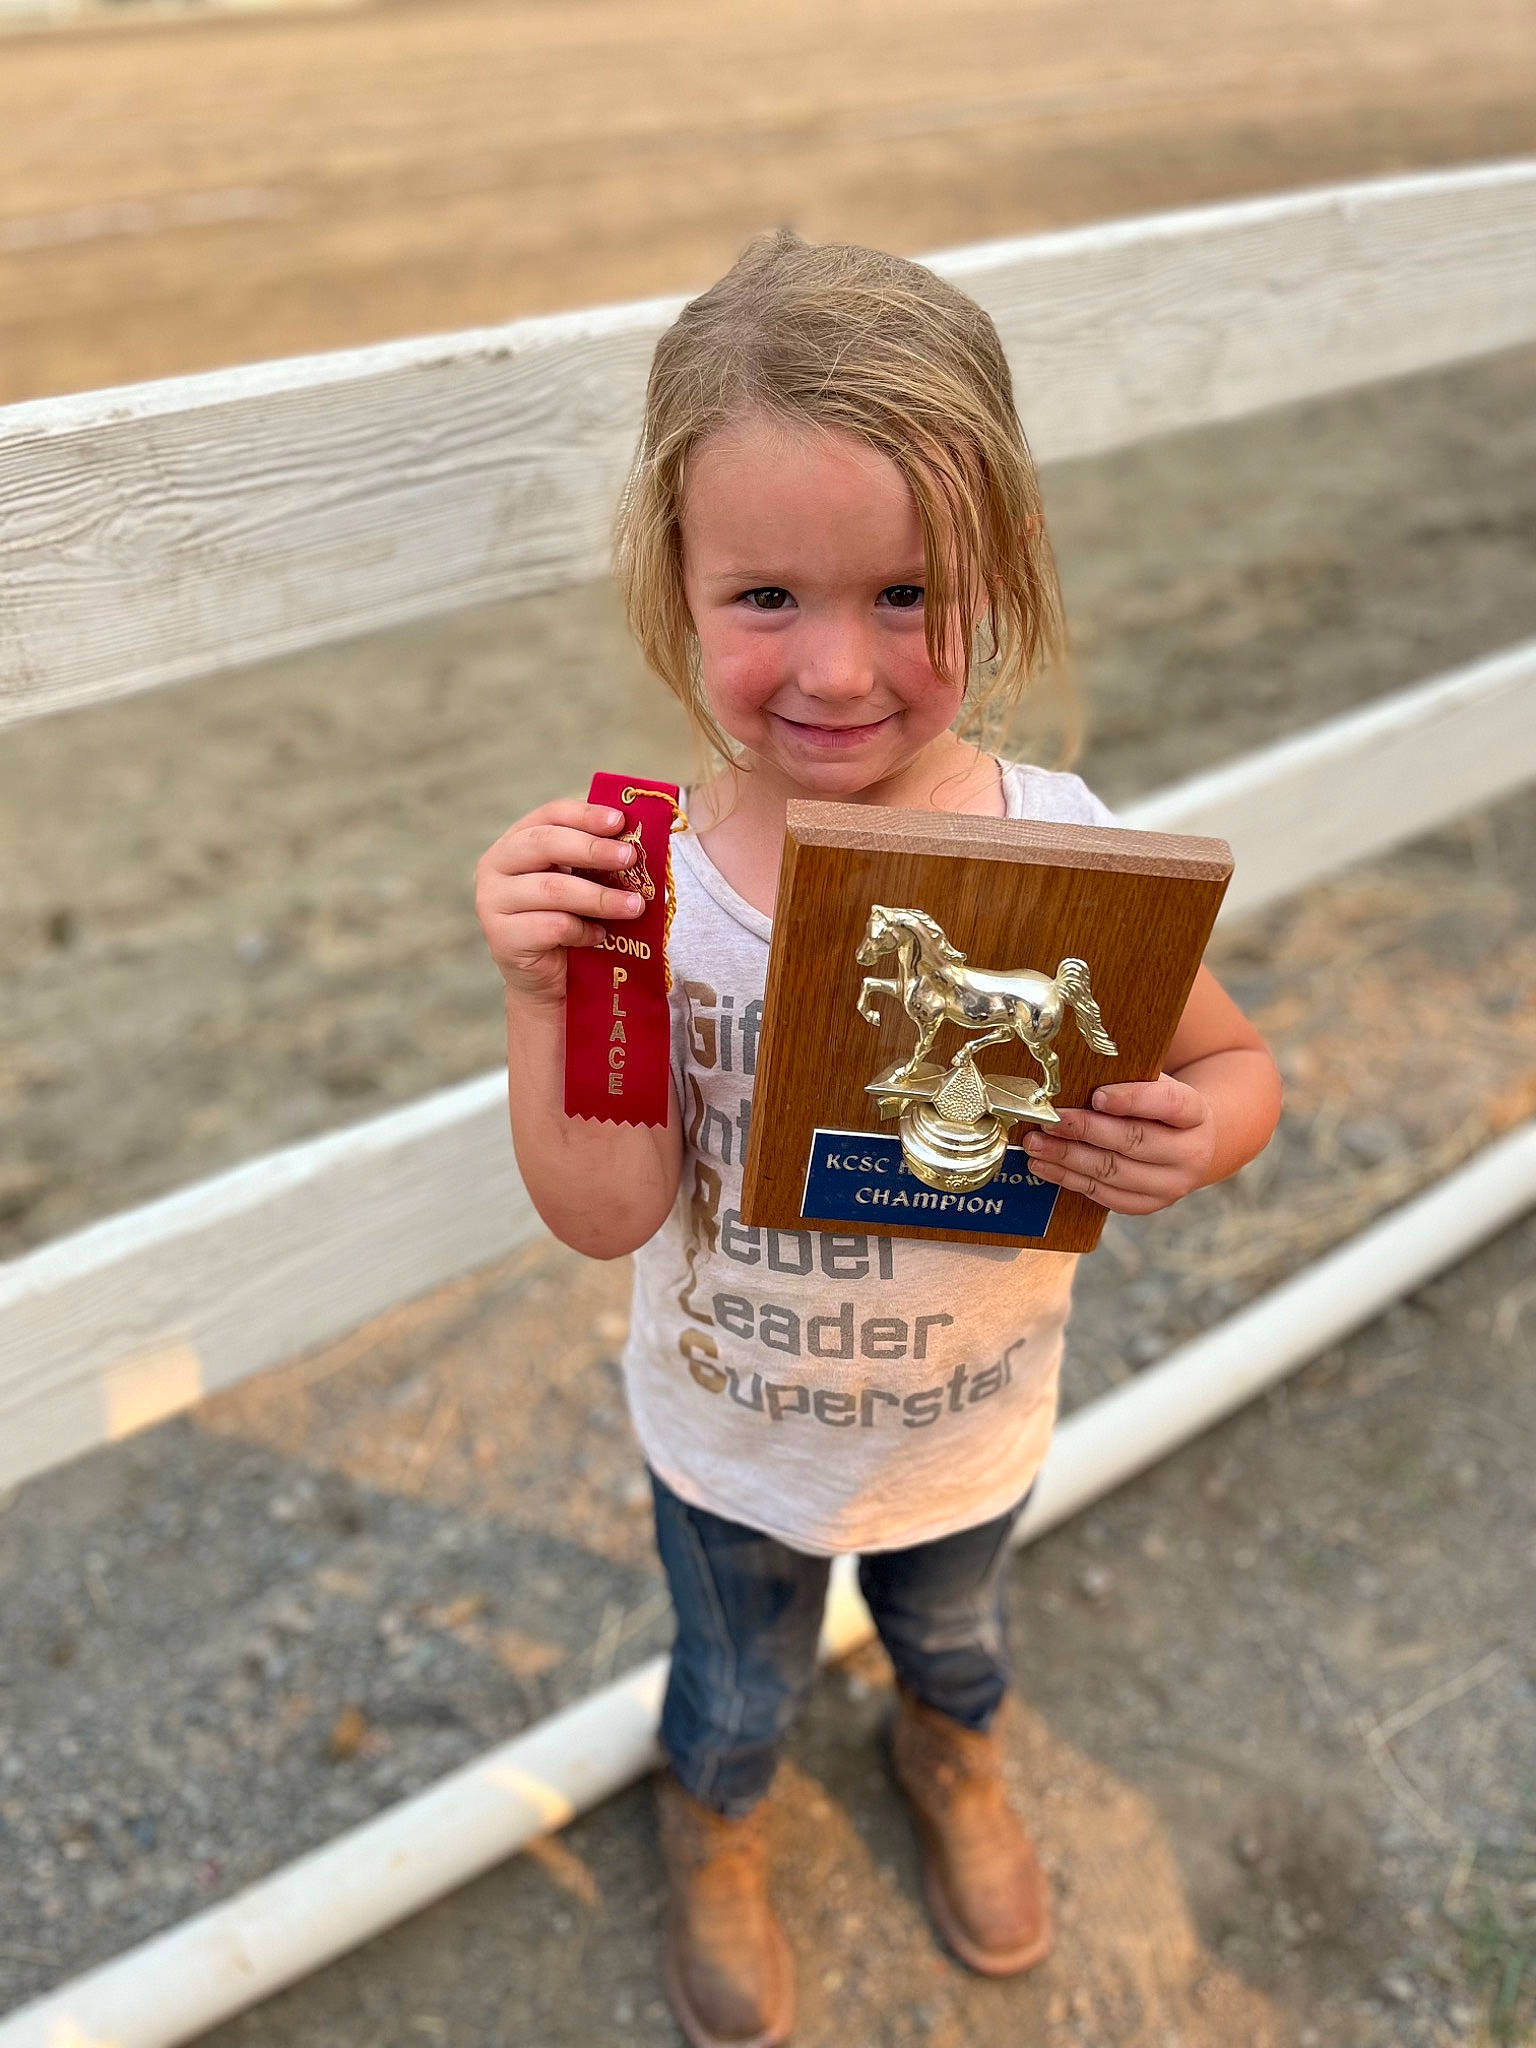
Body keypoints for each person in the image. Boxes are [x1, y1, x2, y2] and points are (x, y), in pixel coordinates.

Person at [474, 228, 1283, 2048]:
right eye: (768, 598)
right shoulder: (639, 890)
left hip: (965, 1427)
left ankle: (949, 1754)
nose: (839, 669)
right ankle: (720, 1825)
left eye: (907, 594)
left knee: (962, 1642)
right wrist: (541, 1003)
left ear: (1000, 567)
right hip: (730, 1438)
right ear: (673, 587)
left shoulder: (1058, 856)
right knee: (738, 1691)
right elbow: (607, 1212)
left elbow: (1243, 1072)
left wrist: (1190, 1137)